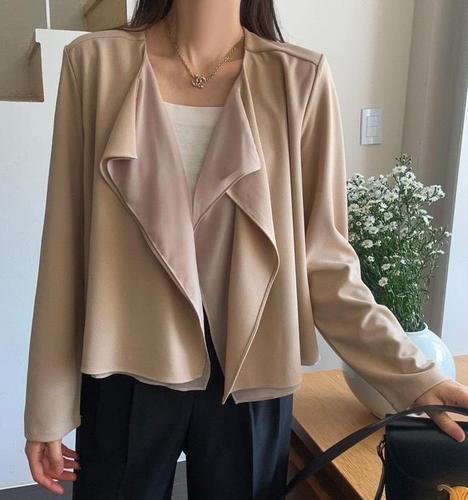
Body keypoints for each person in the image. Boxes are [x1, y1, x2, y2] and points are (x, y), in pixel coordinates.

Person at [23, 1, 468, 499]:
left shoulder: (299, 79)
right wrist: (47, 407)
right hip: (126, 362)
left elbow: (325, 264)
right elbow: (65, 246)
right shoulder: (94, 64)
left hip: (252, 369)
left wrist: (413, 376)